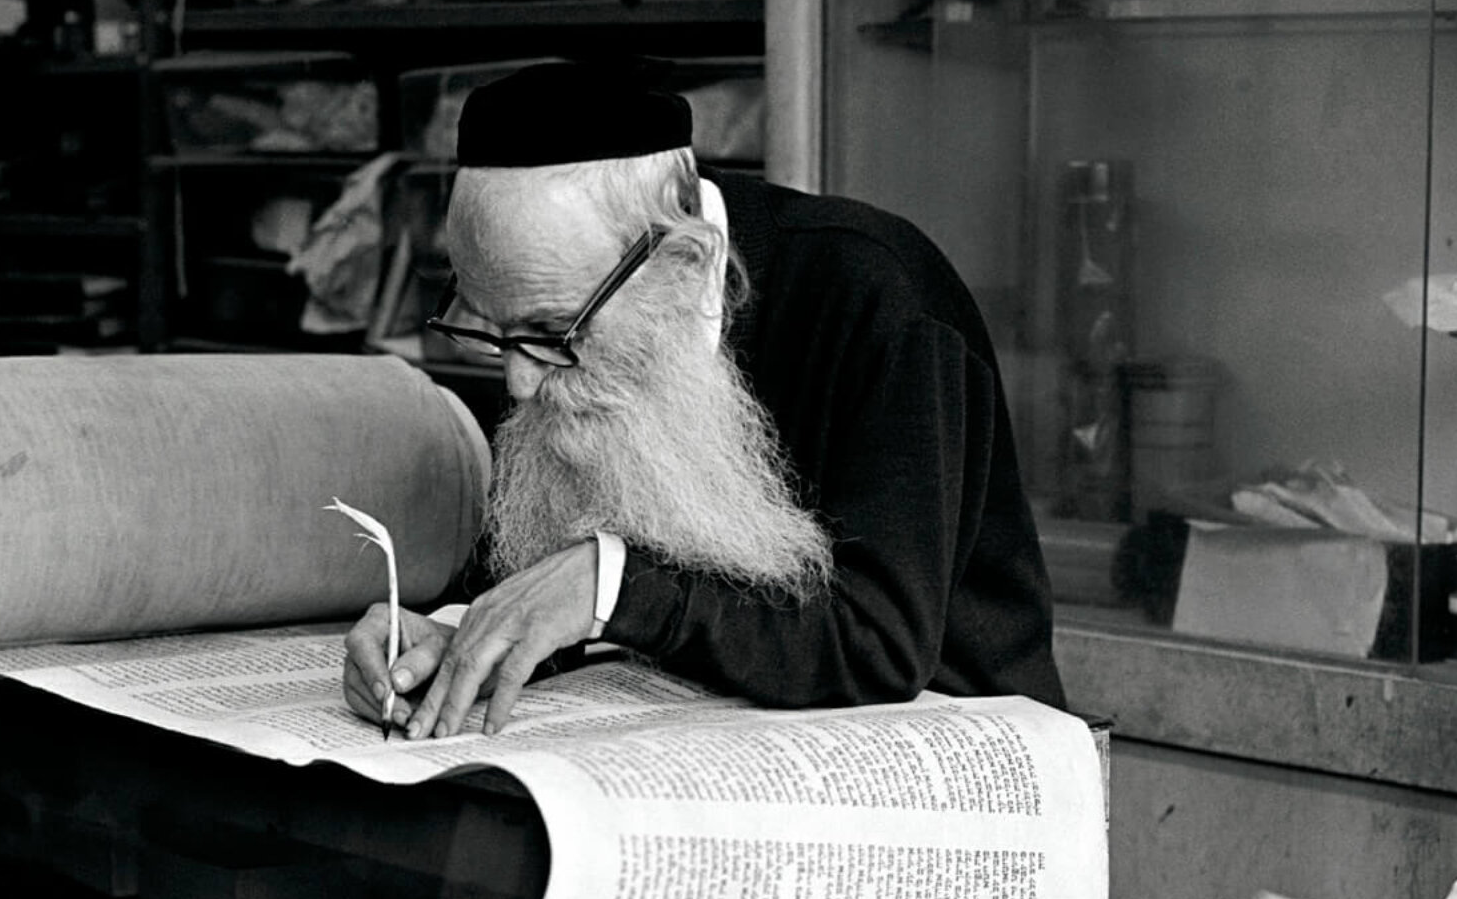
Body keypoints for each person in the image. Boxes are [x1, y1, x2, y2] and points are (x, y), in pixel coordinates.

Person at [343, 57, 1065, 738]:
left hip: (944, 747)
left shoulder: (878, 294)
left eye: (548, 332)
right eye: (492, 330)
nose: (520, 382)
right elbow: (548, 559)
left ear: (682, 258)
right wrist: (459, 628)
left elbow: (880, 644)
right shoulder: (570, 308)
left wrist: (612, 586)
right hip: (692, 731)